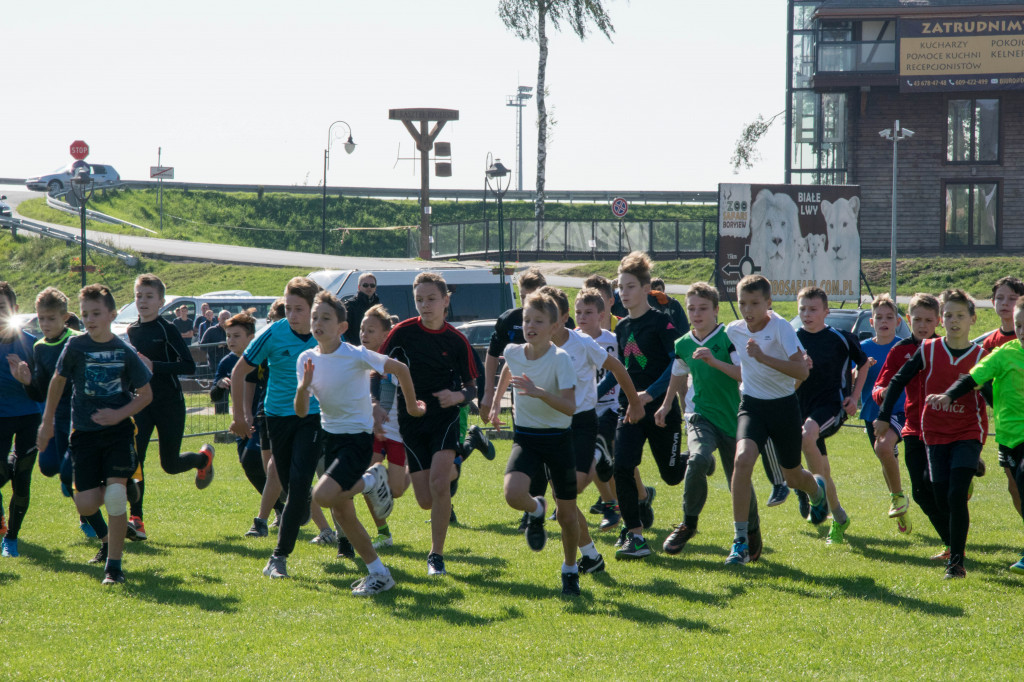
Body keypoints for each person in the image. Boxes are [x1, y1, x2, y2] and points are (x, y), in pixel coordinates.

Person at [298, 290, 424, 595]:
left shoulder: (355, 354)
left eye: (326, 318)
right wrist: (303, 387)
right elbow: (301, 410)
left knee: (322, 495)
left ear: (342, 327)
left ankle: (372, 480)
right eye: (315, 317)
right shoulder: (306, 359)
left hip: (357, 439)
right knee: (342, 513)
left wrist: (411, 407)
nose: (318, 322)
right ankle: (379, 574)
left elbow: (400, 369)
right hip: (332, 439)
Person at [37, 284, 153, 584]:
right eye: (85, 313)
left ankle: (114, 567)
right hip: (84, 435)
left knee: (113, 496)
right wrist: (47, 422)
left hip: (118, 434)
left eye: (96, 313)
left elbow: (145, 394)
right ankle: (128, 490)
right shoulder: (75, 347)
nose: (89, 319)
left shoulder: (124, 350)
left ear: (112, 315)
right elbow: (57, 382)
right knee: (85, 504)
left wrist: (117, 414)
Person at [879, 289, 986, 579]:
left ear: (972, 320)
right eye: (949, 315)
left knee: (953, 495)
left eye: (959, 315)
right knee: (936, 495)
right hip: (932, 432)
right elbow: (897, 380)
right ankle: (953, 544)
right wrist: (882, 416)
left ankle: (956, 563)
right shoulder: (926, 350)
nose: (953, 321)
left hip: (967, 432)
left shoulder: (981, 356)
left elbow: (993, 395)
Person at [377, 272, 478, 577]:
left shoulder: (457, 340)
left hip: (444, 418)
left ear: (446, 300)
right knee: (424, 500)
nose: (425, 305)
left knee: (438, 484)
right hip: (410, 418)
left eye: (431, 299)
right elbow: (377, 368)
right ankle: (465, 453)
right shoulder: (402, 332)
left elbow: (473, 386)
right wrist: (376, 405)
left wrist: (458, 395)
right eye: (419, 299)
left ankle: (436, 556)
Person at [724, 274, 827, 566]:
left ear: (768, 304)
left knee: (793, 477)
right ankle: (739, 541)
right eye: (743, 303)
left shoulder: (781, 328)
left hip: (783, 408)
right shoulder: (734, 330)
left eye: (755, 303)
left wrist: (762, 357)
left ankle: (816, 490)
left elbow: (802, 372)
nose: (748, 310)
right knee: (742, 460)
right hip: (752, 406)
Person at [655, 282, 762, 558]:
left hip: (734, 418)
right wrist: (666, 405)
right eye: (691, 308)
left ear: (716, 310)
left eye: (703, 308)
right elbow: (678, 374)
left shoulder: (728, 337)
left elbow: (743, 374)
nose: (696, 313)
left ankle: (751, 530)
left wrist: (714, 361)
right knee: (698, 458)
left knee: (737, 481)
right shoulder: (683, 343)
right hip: (699, 415)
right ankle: (688, 523)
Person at [488, 291, 583, 595]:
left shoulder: (561, 359)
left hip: (559, 439)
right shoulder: (514, 351)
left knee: (568, 515)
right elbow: (508, 367)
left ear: (554, 327)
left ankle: (570, 569)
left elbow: (570, 407)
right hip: (527, 437)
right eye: (527, 319)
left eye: (538, 321)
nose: (530, 325)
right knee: (512, 493)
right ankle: (536, 509)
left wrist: (539, 392)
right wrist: (494, 403)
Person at [544, 286, 643, 575]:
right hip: (550, 427)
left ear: (562, 318)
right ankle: (591, 556)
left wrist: (634, 403)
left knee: (567, 493)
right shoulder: (538, 345)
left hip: (582, 424)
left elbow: (618, 368)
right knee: (564, 506)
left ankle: (601, 461)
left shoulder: (582, 343)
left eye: (547, 318)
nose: (539, 324)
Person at [231, 277, 321, 579]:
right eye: (288, 308)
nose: (292, 315)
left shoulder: (325, 336)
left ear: (313, 309)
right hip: (277, 417)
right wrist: (240, 416)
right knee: (282, 478)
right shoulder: (273, 333)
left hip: (313, 417)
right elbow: (239, 370)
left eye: (299, 309)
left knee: (298, 482)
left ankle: (278, 557)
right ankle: (336, 535)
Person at [7, 287, 107, 541]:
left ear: (65, 317)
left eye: (51, 318)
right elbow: (40, 393)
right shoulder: (40, 347)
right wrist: (27, 381)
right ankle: (90, 485)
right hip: (54, 420)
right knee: (49, 468)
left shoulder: (79, 341)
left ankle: (104, 533)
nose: (46, 324)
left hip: (80, 421)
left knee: (68, 476)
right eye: (41, 318)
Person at [938, 296, 1024, 574]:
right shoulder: (1005, 353)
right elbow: (974, 378)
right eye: (1019, 325)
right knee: (1017, 491)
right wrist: (949, 395)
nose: (1022, 331)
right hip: (1009, 438)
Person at [610, 252, 686, 560]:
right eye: (620, 288)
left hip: (661, 410)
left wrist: (649, 395)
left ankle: (695, 458)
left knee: (671, 476)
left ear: (645, 289)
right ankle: (636, 536)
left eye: (629, 287)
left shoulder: (662, 325)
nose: (623, 294)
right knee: (621, 467)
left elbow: (677, 364)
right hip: (629, 410)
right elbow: (620, 370)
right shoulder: (621, 328)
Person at [126, 274, 213, 541]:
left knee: (170, 465)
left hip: (170, 404)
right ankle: (136, 520)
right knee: (134, 462)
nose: (143, 301)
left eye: (149, 296)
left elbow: (188, 365)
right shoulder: (131, 331)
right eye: (139, 295)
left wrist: (155, 366)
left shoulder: (167, 329)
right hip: (142, 404)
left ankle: (203, 459)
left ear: (161, 301)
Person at [872, 293, 948, 557]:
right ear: (908, 319)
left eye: (929, 320)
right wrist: (881, 394)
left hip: (944, 427)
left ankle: (954, 545)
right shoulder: (900, 350)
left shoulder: (946, 347)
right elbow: (881, 385)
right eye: (917, 319)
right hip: (913, 425)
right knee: (920, 491)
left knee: (937, 484)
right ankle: (951, 542)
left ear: (938, 321)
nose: (923, 325)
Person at [794, 286, 870, 545]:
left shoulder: (841, 338)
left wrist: (854, 397)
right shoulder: (792, 338)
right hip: (801, 410)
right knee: (822, 470)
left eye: (813, 309)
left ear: (826, 311)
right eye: (802, 309)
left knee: (808, 434)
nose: (807, 314)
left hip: (832, 407)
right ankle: (839, 518)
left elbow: (864, 364)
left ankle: (815, 496)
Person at [479, 268, 550, 530]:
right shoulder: (510, 320)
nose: (527, 302)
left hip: (551, 398)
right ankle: (532, 508)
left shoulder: (556, 321)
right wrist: (490, 394)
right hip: (521, 399)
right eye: (522, 296)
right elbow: (495, 357)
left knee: (547, 455)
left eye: (533, 296)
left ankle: (535, 509)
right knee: (528, 451)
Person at [210, 310, 285, 536]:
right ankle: (281, 508)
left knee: (254, 461)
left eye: (236, 336)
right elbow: (214, 396)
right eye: (228, 336)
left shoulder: (263, 358)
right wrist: (220, 385)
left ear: (251, 337)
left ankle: (288, 505)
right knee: (249, 465)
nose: (231, 341)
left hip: (261, 419)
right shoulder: (226, 362)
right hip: (239, 423)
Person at [858, 294, 911, 532]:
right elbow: (851, 380)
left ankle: (899, 497)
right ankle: (898, 504)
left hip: (900, 410)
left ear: (898, 321)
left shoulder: (904, 346)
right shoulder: (863, 349)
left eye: (889, 317)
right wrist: (862, 368)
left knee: (884, 447)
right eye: (879, 317)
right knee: (884, 455)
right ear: (871, 322)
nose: (884, 321)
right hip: (872, 412)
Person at [361, 304, 412, 549]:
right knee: (369, 481)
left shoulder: (392, 361)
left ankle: (413, 470)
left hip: (395, 432)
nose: (364, 334)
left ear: (385, 335)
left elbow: (394, 390)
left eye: (371, 330)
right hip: (371, 432)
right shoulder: (355, 357)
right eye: (362, 329)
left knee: (397, 490)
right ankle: (383, 532)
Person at [975, 276, 1024, 518]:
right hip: (1006, 428)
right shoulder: (989, 343)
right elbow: (981, 382)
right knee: (1013, 485)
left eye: (1012, 299)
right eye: (1000, 298)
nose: (1005, 303)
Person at [0, 281, 43, 558]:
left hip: (30, 417)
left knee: (22, 479)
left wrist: (27, 381)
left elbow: (42, 389)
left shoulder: (32, 345)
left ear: (14, 310)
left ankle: (11, 540)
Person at [341, 272, 381, 346]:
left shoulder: (379, 306)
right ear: (359, 287)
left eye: (372, 285)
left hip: (374, 350)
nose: (369, 288)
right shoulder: (350, 306)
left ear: (375, 288)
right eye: (365, 285)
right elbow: (344, 333)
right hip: (355, 350)